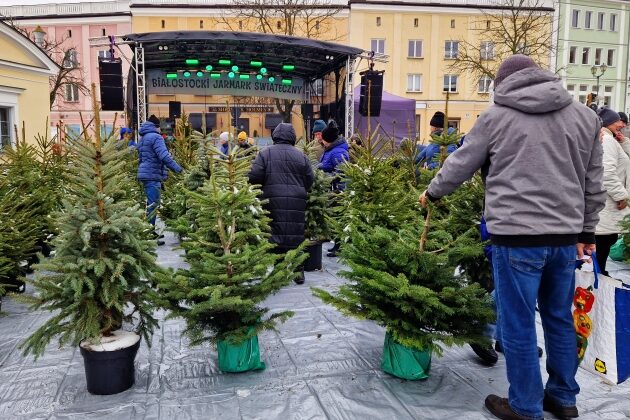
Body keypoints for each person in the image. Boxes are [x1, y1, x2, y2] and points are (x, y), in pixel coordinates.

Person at [419, 55, 605, 420]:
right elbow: (592, 182)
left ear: (504, 84)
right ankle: (564, 399)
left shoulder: (496, 117)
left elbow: (460, 162)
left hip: (516, 239)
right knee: (559, 318)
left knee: (518, 324)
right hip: (565, 239)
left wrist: (433, 192)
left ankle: (525, 406)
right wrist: (586, 231)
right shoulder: (585, 117)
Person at [248, 123, 314, 284]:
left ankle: (278, 271)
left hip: (271, 199)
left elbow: (254, 177)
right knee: (296, 233)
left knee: (273, 234)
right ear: (292, 137)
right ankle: (298, 271)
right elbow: (310, 179)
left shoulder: (265, 154)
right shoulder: (301, 156)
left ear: (275, 136)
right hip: (296, 200)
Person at [137, 115, 183, 245]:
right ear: (156, 127)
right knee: (153, 205)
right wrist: (178, 169)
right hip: (152, 175)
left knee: (150, 203)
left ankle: (150, 231)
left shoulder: (143, 138)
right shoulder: (156, 137)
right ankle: (148, 234)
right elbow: (164, 156)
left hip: (145, 174)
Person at [595, 108, 630, 276]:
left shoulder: (611, 139)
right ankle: (598, 277)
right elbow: (607, 172)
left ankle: (599, 274)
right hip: (609, 202)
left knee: (606, 239)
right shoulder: (607, 140)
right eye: (618, 122)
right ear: (609, 122)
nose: (622, 125)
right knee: (604, 240)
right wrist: (621, 195)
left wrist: (623, 143)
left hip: (610, 202)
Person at [319, 121, 349, 257]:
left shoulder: (338, 152)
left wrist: (338, 190)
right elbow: (327, 165)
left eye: (324, 140)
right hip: (332, 190)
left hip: (337, 191)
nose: (322, 142)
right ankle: (336, 244)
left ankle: (339, 246)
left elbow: (341, 173)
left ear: (329, 140)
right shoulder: (332, 150)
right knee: (334, 218)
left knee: (338, 218)